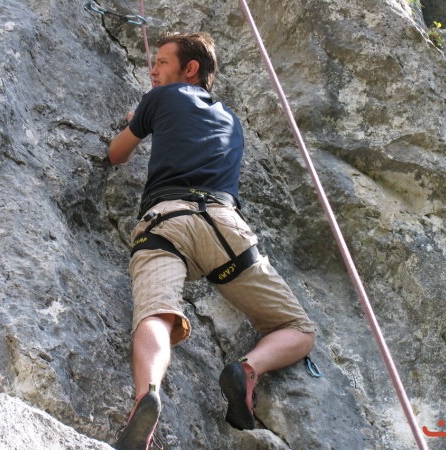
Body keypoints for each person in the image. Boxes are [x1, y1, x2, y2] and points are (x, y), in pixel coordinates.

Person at [109, 32, 315, 449]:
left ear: (190, 69)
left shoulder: (160, 98)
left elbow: (117, 153)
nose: (153, 69)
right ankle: (248, 369)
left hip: (166, 221)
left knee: (157, 314)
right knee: (298, 328)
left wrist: (134, 121)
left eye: (162, 62)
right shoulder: (230, 120)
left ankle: (146, 397)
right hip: (224, 227)